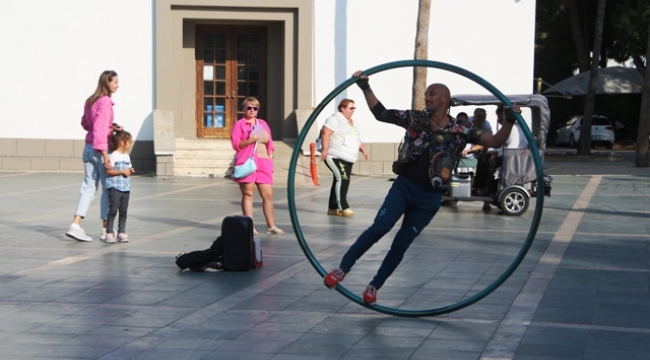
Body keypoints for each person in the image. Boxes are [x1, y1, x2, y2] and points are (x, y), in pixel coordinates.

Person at [323, 70, 520, 305]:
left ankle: (375, 285)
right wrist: (365, 87)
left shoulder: (461, 129)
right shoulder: (415, 118)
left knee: (402, 243)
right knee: (380, 227)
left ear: (444, 99)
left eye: (432, 94)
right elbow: (381, 114)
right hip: (405, 187)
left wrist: (509, 120)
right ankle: (342, 269)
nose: (427, 98)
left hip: (430, 197)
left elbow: (495, 141)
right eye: (426, 94)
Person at [66, 70, 122, 242]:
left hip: (89, 148)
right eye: (115, 82)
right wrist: (105, 154)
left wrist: (110, 126)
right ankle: (106, 230)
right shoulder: (105, 103)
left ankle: (75, 225)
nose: (117, 85)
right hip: (100, 150)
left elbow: (86, 123)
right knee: (107, 189)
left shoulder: (91, 101)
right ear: (107, 83)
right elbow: (99, 130)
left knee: (88, 187)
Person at [231, 97, 285, 236]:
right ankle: (250, 226)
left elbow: (270, 143)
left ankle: (271, 226)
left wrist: (270, 156)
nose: (252, 110)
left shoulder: (262, 124)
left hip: (263, 162)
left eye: (255, 108)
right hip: (248, 161)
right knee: (248, 194)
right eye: (249, 107)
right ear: (244, 109)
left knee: (268, 195)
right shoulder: (240, 124)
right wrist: (250, 139)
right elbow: (236, 145)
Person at [320, 99, 369, 217]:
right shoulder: (335, 119)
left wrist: (363, 149)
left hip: (348, 156)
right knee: (342, 179)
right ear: (342, 108)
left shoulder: (351, 122)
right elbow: (325, 132)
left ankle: (332, 208)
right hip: (335, 155)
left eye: (354, 108)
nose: (353, 110)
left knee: (340, 179)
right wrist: (325, 149)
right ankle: (343, 206)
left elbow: (355, 138)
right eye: (351, 108)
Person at [482, 104, 528, 202]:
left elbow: (511, 148)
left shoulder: (512, 128)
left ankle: (489, 190)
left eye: (501, 117)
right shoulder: (511, 127)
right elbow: (501, 147)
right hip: (511, 156)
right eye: (498, 117)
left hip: (513, 159)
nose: (499, 120)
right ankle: (482, 187)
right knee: (484, 158)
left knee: (490, 164)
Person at [103, 130, 135, 243]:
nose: (130, 144)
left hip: (125, 188)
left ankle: (121, 232)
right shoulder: (113, 156)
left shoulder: (127, 156)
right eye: (129, 142)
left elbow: (128, 169)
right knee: (113, 210)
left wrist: (130, 170)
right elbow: (109, 171)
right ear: (122, 142)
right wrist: (122, 171)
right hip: (115, 187)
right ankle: (109, 233)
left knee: (123, 211)